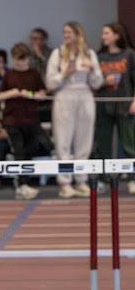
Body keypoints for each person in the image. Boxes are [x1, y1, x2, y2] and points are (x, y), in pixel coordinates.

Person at [46, 21, 103, 198]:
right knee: (63, 141)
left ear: (78, 34)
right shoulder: (57, 54)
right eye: (64, 32)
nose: (66, 35)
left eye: (69, 32)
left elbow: (97, 82)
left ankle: (81, 179)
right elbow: (49, 82)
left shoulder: (89, 53)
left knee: (84, 141)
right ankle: (65, 182)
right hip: (64, 96)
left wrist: (93, 69)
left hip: (85, 96)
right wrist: (65, 73)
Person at [0, 42, 48, 200]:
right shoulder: (9, 75)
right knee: (18, 151)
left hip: (31, 119)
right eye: (18, 60)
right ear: (13, 59)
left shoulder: (34, 74)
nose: (21, 63)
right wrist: (11, 93)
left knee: (29, 151)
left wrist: (29, 95)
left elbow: (43, 95)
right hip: (12, 120)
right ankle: (20, 185)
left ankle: (27, 182)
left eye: (24, 60)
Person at [95, 23, 135, 194]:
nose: (103, 36)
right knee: (102, 144)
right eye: (103, 33)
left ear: (116, 35)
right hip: (104, 105)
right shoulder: (99, 56)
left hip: (125, 105)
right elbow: (93, 82)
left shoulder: (129, 54)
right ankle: (102, 179)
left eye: (107, 33)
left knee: (129, 144)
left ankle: (132, 178)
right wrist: (104, 82)